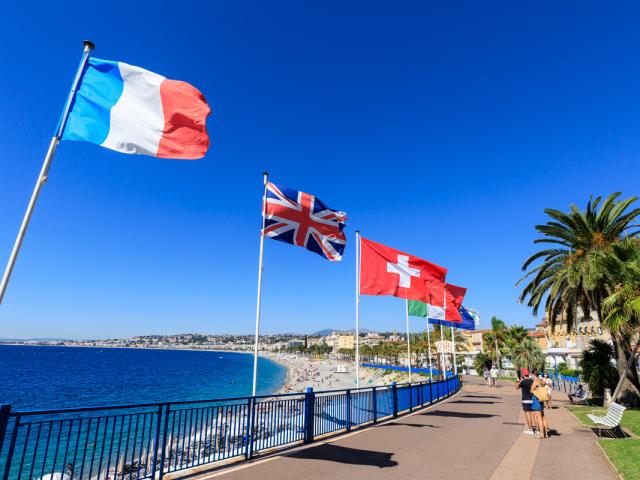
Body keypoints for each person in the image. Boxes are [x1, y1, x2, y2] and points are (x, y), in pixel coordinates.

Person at [517, 368, 535, 435]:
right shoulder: (532, 381)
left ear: (523, 375)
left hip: (526, 400)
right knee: (534, 414)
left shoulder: (523, 381)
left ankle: (530, 429)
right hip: (533, 399)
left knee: (528, 414)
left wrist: (518, 381)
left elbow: (517, 387)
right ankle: (538, 430)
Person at [531, 370, 548, 438]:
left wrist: (532, 388)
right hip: (541, 399)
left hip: (536, 399)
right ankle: (546, 433)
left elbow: (531, 390)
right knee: (543, 416)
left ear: (533, 375)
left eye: (531, 375)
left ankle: (541, 434)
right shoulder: (541, 381)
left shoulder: (535, 381)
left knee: (539, 417)